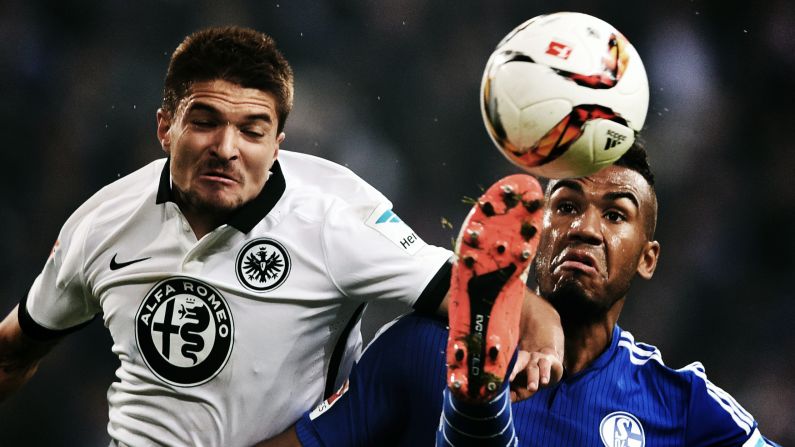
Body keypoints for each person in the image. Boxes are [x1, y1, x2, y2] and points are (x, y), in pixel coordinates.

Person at [0, 26, 562, 446]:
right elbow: (16, 348)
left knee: (419, 345)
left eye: (251, 130)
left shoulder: (331, 225)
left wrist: (542, 338)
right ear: (164, 126)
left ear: (278, 145)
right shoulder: (104, 221)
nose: (226, 147)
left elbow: (483, 295)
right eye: (204, 122)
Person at [260, 143, 779, 447]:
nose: (586, 229)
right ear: (534, 232)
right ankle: (477, 406)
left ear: (649, 257)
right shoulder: (421, 346)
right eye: (567, 206)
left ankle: (474, 411)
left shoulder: (684, 403)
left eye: (616, 214)